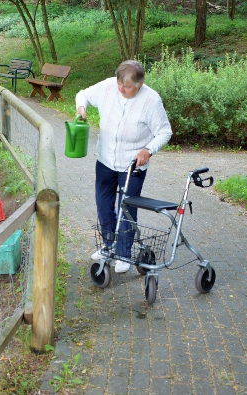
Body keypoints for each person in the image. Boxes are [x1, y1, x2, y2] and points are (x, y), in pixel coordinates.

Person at [75, 60, 172, 273]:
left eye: (127, 87)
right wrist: (81, 108)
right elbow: (83, 94)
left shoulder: (151, 100)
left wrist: (148, 150)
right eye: (120, 84)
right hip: (106, 160)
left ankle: (123, 254)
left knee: (126, 209)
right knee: (103, 204)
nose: (122, 89)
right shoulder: (109, 86)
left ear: (139, 84)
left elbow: (165, 131)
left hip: (132, 165)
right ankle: (109, 245)